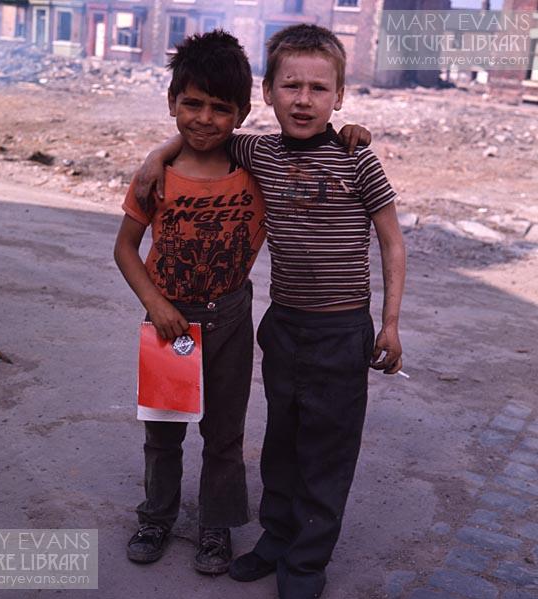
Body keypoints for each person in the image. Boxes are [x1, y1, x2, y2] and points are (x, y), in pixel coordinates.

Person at [121, 28, 375, 580]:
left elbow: (307, 155)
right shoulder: (157, 176)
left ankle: (217, 525)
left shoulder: (254, 169)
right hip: (166, 321)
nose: (204, 119)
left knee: (225, 432)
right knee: (163, 429)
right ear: (171, 103)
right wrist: (156, 303)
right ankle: (156, 517)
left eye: (220, 108)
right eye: (191, 104)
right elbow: (124, 249)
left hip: (232, 318)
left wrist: (348, 132)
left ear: (240, 113)